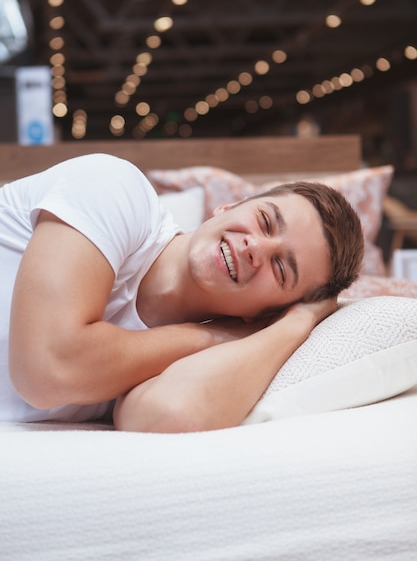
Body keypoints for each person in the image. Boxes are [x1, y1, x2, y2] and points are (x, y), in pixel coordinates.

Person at [0, 153, 364, 432]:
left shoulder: (189, 355)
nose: (256, 247)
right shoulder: (112, 186)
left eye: (281, 269)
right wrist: (215, 335)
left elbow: (166, 414)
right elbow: (46, 371)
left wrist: (293, 326)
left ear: (265, 313)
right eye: (265, 221)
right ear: (228, 207)